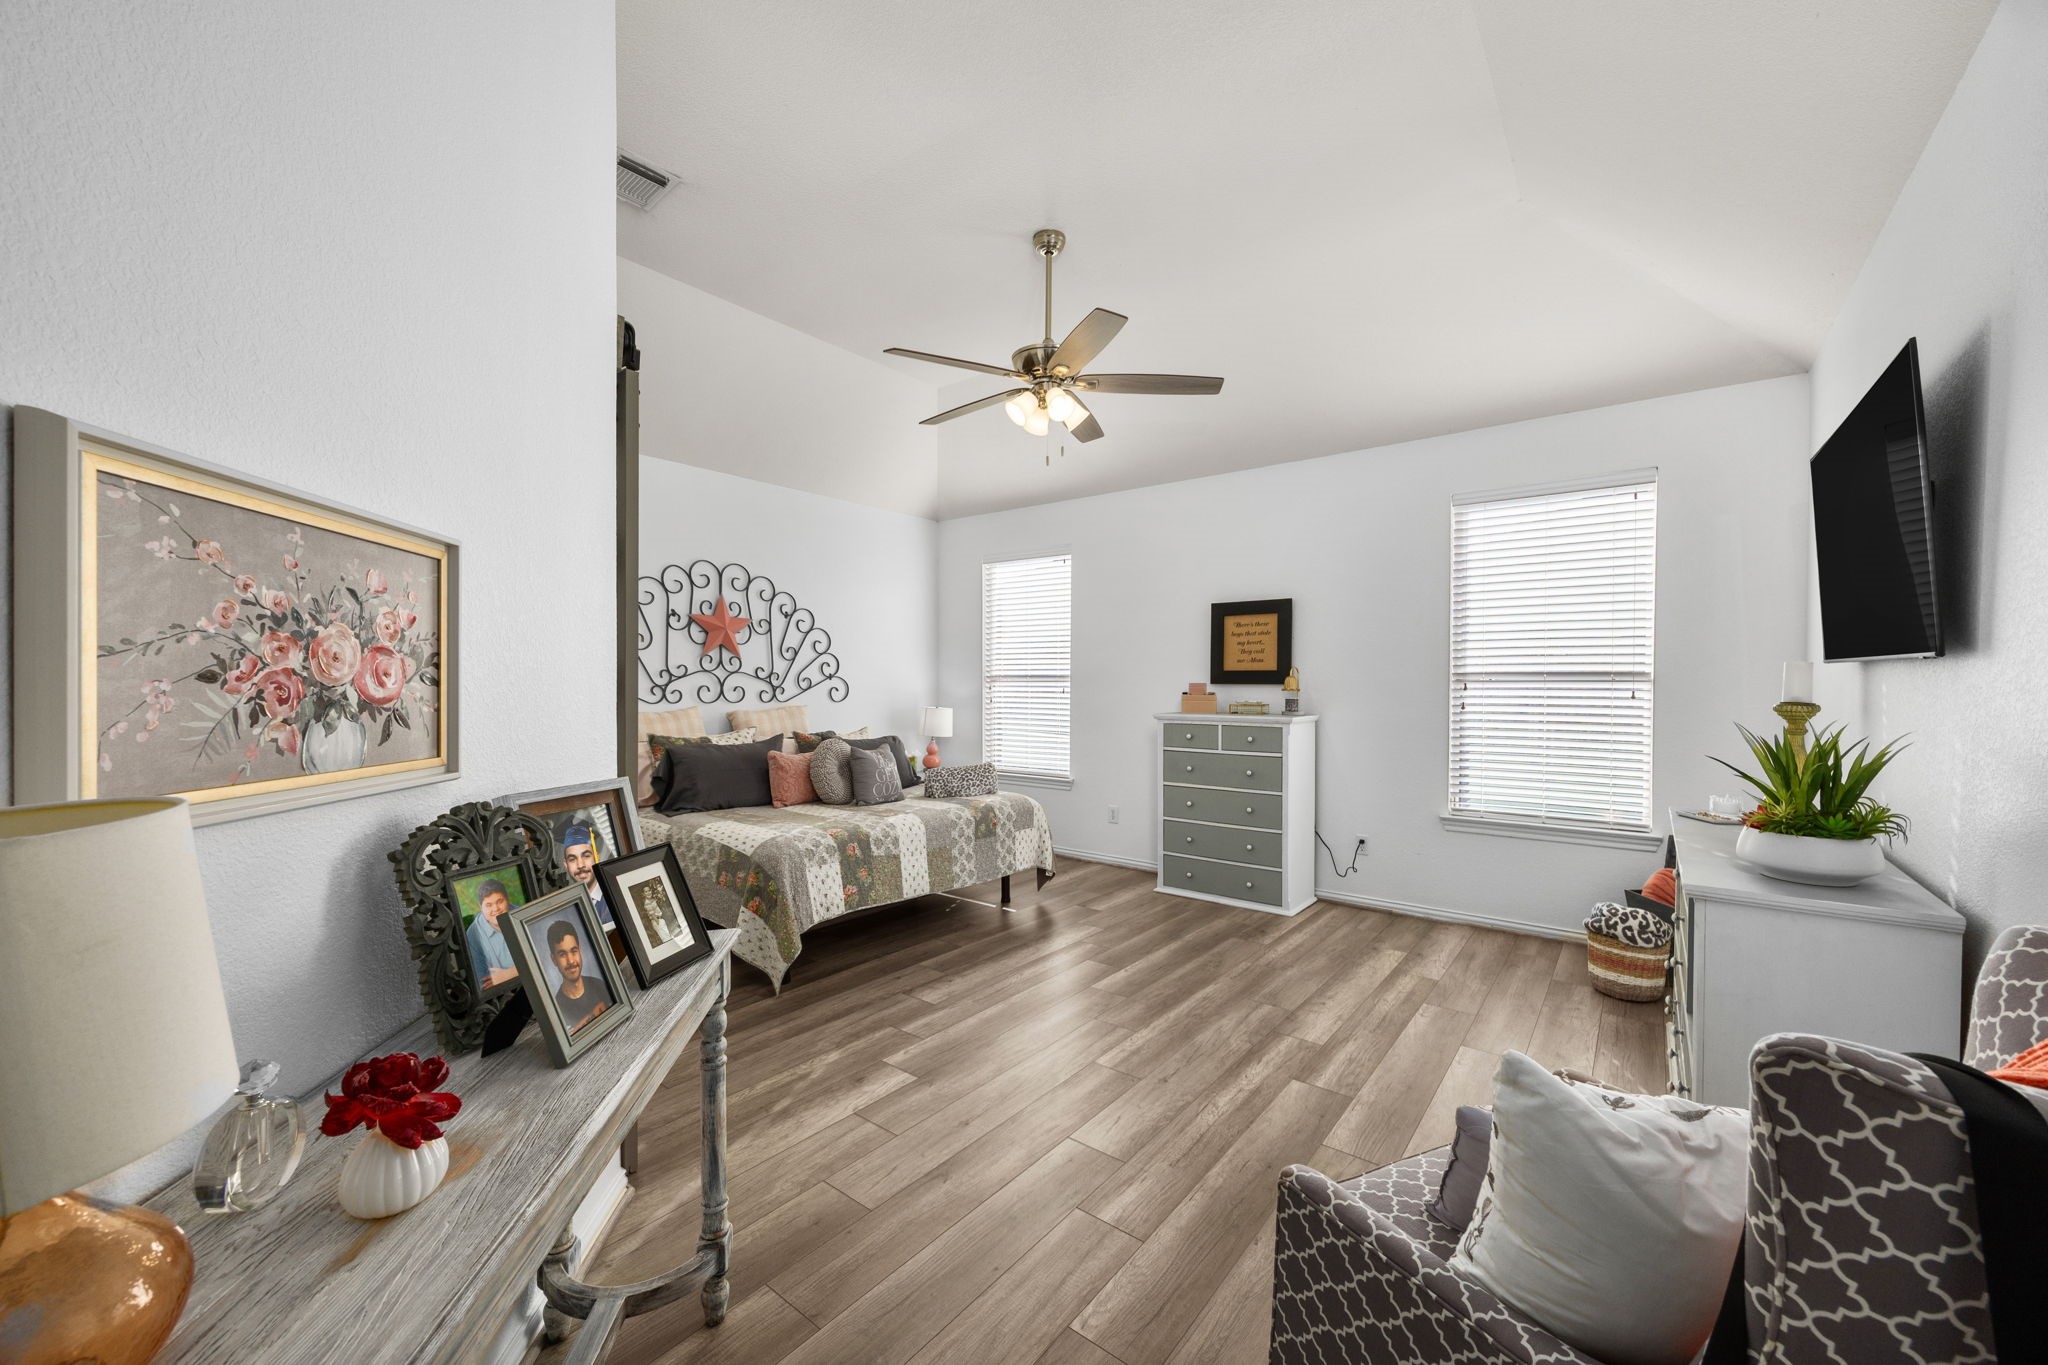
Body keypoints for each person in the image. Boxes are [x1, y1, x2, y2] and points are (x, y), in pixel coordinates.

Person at [547, 919, 613, 1035]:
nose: (571, 961)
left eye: (574, 951)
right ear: (554, 960)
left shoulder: (600, 985)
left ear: (580, 951)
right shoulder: (558, 1010)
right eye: (562, 954)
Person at [464, 879, 519, 989]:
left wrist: (511, 973)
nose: (496, 909)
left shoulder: (522, 915)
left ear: (508, 900)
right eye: (489, 905)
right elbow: (484, 984)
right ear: (481, 908)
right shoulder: (473, 935)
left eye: (500, 901)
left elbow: (544, 958)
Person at [560, 821, 615, 929]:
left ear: (596, 857)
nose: (580, 865)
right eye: (572, 859)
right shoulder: (567, 909)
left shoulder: (615, 895)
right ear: (566, 865)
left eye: (586, 856)